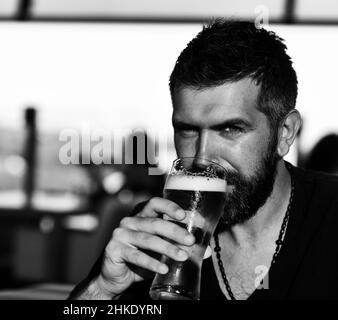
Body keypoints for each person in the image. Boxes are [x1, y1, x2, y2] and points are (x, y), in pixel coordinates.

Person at [69, 19, 338, 300]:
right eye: (188, 130)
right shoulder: (156, 231)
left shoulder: (330, 216)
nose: (201, 158)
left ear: (284, 133)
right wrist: (103, 289)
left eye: (230, 129)